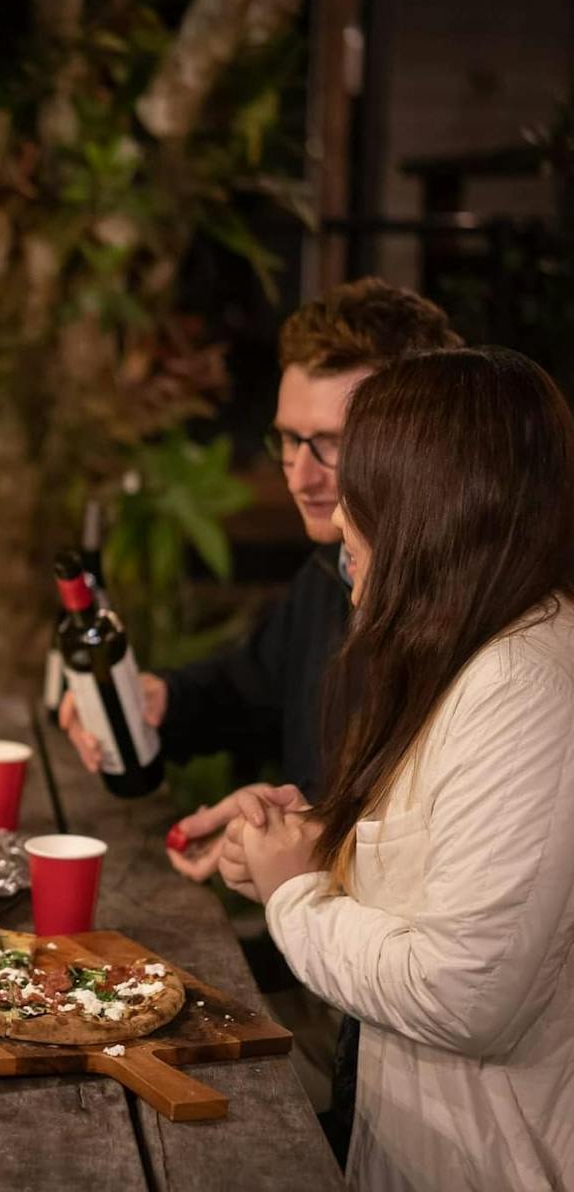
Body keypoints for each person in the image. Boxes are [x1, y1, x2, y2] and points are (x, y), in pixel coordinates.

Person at [217, 347, 574, 1190]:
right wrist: (319, 843)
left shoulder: (523, 683)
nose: (340, 521)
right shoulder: (467, 652)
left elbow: (462, 992)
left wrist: (293, 893)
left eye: (360, 492)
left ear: (426, 508)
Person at [60, 278, 462, 872]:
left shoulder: (468, 612)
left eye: (332, 444)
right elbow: (255, 687)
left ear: (413, 441)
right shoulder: (331, 568)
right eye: (289, 440)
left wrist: (300, 836)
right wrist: (163, 699)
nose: (299, 477)